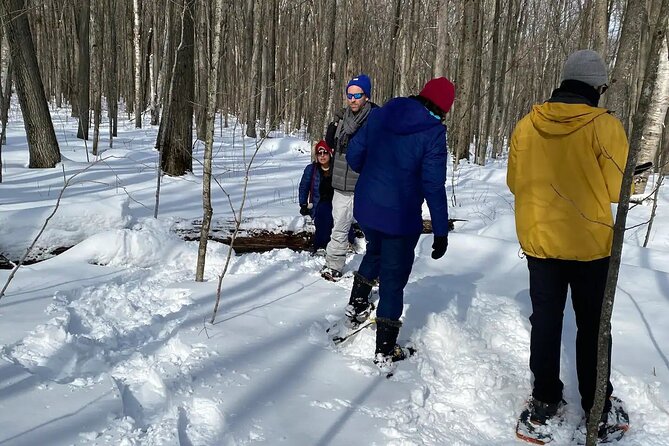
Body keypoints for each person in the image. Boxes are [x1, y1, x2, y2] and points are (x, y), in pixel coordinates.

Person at [507, 49, 629, 441]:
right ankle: (597, 405)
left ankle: (544, 401)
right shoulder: (605, 126)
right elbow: (616, 189)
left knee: (545, 321)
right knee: (592, 325)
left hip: (540, 242)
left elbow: (515, 182)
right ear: (596, 86)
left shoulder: (528, 124)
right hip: (590, 245)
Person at [344, 77, 455, 372]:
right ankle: (384, 350)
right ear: (444, 109)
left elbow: (354, 154)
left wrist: (371, 175)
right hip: (400, 217)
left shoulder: (383, 113)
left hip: (366, 207)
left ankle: (356, 303)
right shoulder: (432, 133)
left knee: (374, 250)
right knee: (394, 279)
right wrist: (441, 232)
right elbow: (433, 185)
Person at [320, 74, 377, 281]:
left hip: (366, 186)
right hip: (341, 185)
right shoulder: (339, 120)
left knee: (374, 232)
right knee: (339, 227)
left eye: (358, 95)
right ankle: (333, 264)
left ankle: (375, 269)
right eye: (349, 95)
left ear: (367, 96)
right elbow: (330, 149)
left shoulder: (375, 119)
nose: (353, 99)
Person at [298, 140, 335, 252]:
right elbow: (304, 187)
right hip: (318, 204)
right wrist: (303, 204)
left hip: (337, 202)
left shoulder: (337, 168)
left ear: (330, 154)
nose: (322, 156)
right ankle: (321, 246)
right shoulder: (312, 169)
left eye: (325, 153)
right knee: (324, 214)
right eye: (320, 153)